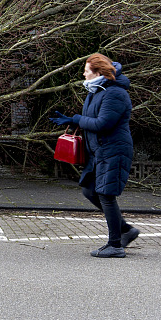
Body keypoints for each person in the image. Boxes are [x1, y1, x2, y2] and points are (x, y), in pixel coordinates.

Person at [51, 53, 138, 258]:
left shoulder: (115, 93)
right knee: (90, 191)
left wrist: (76, 118)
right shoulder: (96, 90)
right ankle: (126, 230)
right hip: (98, 151)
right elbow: (90, 119)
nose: (83, 73)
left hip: (114, 151)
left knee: (106, 195)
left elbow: (102, 124)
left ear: (98, 72)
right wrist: (72, 121)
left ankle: (115, 245)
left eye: (87, 70)